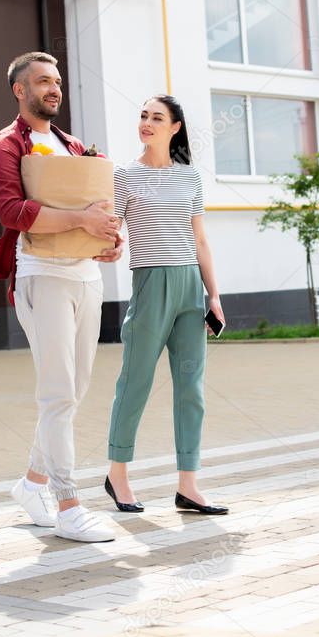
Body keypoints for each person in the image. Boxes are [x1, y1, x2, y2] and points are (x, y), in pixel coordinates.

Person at [0, 51, 122, 543]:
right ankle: (68, 505)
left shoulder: (74, 146)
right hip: (42, 275)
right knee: (58, 393)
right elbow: (11, 211)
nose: (54, 89)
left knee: (75, 390)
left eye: (58, 81)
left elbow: (96, 207)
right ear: (20, 90)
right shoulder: (6, 145)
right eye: (43, 81)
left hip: (87, 275)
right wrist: (81, 221)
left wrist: (107, 237)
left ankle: (31, 483)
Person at [104, 94, 229, 515]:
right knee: (135, 383)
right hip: (150, 284)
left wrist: (213, 295)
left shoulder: (189, 177)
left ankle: (188, 486)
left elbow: (200, 240)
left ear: (175, 127)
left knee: (191, 389)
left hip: (190, 290)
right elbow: (113, 230)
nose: (147, 123)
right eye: (143, 116)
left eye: (157, 117)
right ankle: (117, 475)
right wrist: (112, 245)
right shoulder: (124, 177)